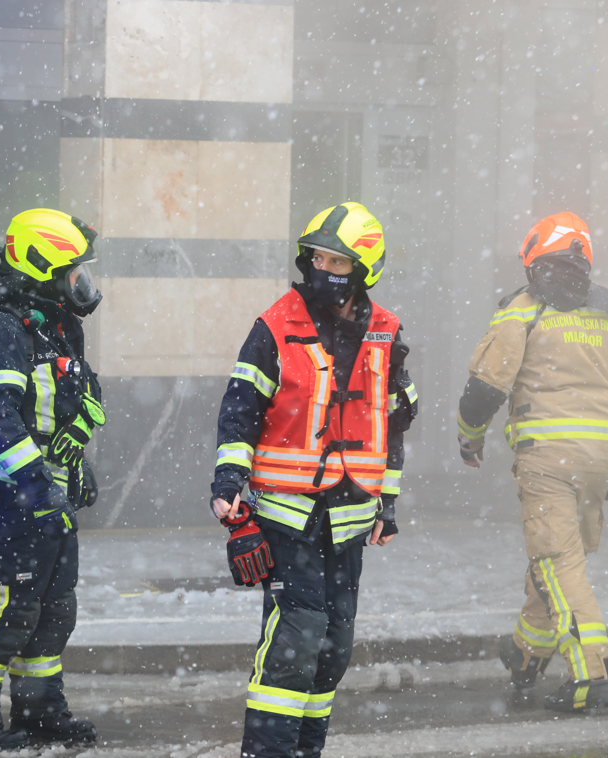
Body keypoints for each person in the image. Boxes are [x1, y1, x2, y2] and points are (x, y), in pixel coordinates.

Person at [210, 203, 418, 758]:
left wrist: (388, 503)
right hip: (286, 517)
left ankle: (305, 750)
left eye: (337, 259)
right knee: (294, 641)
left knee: (333, 648)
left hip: (349, 521)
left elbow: (391, 425)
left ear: (363, 267)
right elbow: (239, 413)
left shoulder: (387, 333)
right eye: (317, 256)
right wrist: (232, 496)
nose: (323, 267)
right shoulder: (275, 326)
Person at [456, 212, 608, 712]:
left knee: (556, 561)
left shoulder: (522, 312)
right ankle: (527, 653)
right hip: (599, 464)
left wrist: (469, 438)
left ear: (533, 261)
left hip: (546, 459)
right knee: (560, 557)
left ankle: (592, 674)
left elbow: (483, 390)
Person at [0, 209, 104, 751]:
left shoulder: (51, 321)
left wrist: (73, 467)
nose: (82, 283)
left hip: (39, 486)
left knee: (54, 603)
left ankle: (39, 711)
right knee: (13, 598)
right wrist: (32, 480)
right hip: (0, 483)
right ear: (42, 266)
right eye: (73, 271)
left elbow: (64, 403)